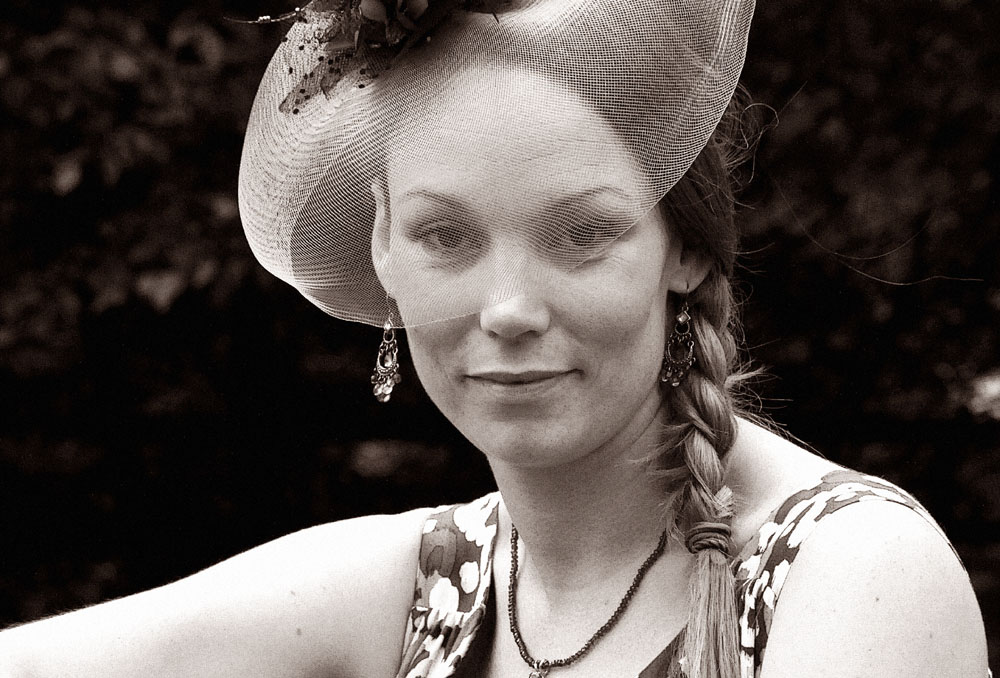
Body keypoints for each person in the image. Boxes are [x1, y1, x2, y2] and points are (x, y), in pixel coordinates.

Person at [0, 0, 990, 676]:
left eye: (582, 234)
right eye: (446, 236)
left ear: (685, 248)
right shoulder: (426, 585)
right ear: (383, 246)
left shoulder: (853, 574)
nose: (508, 308)